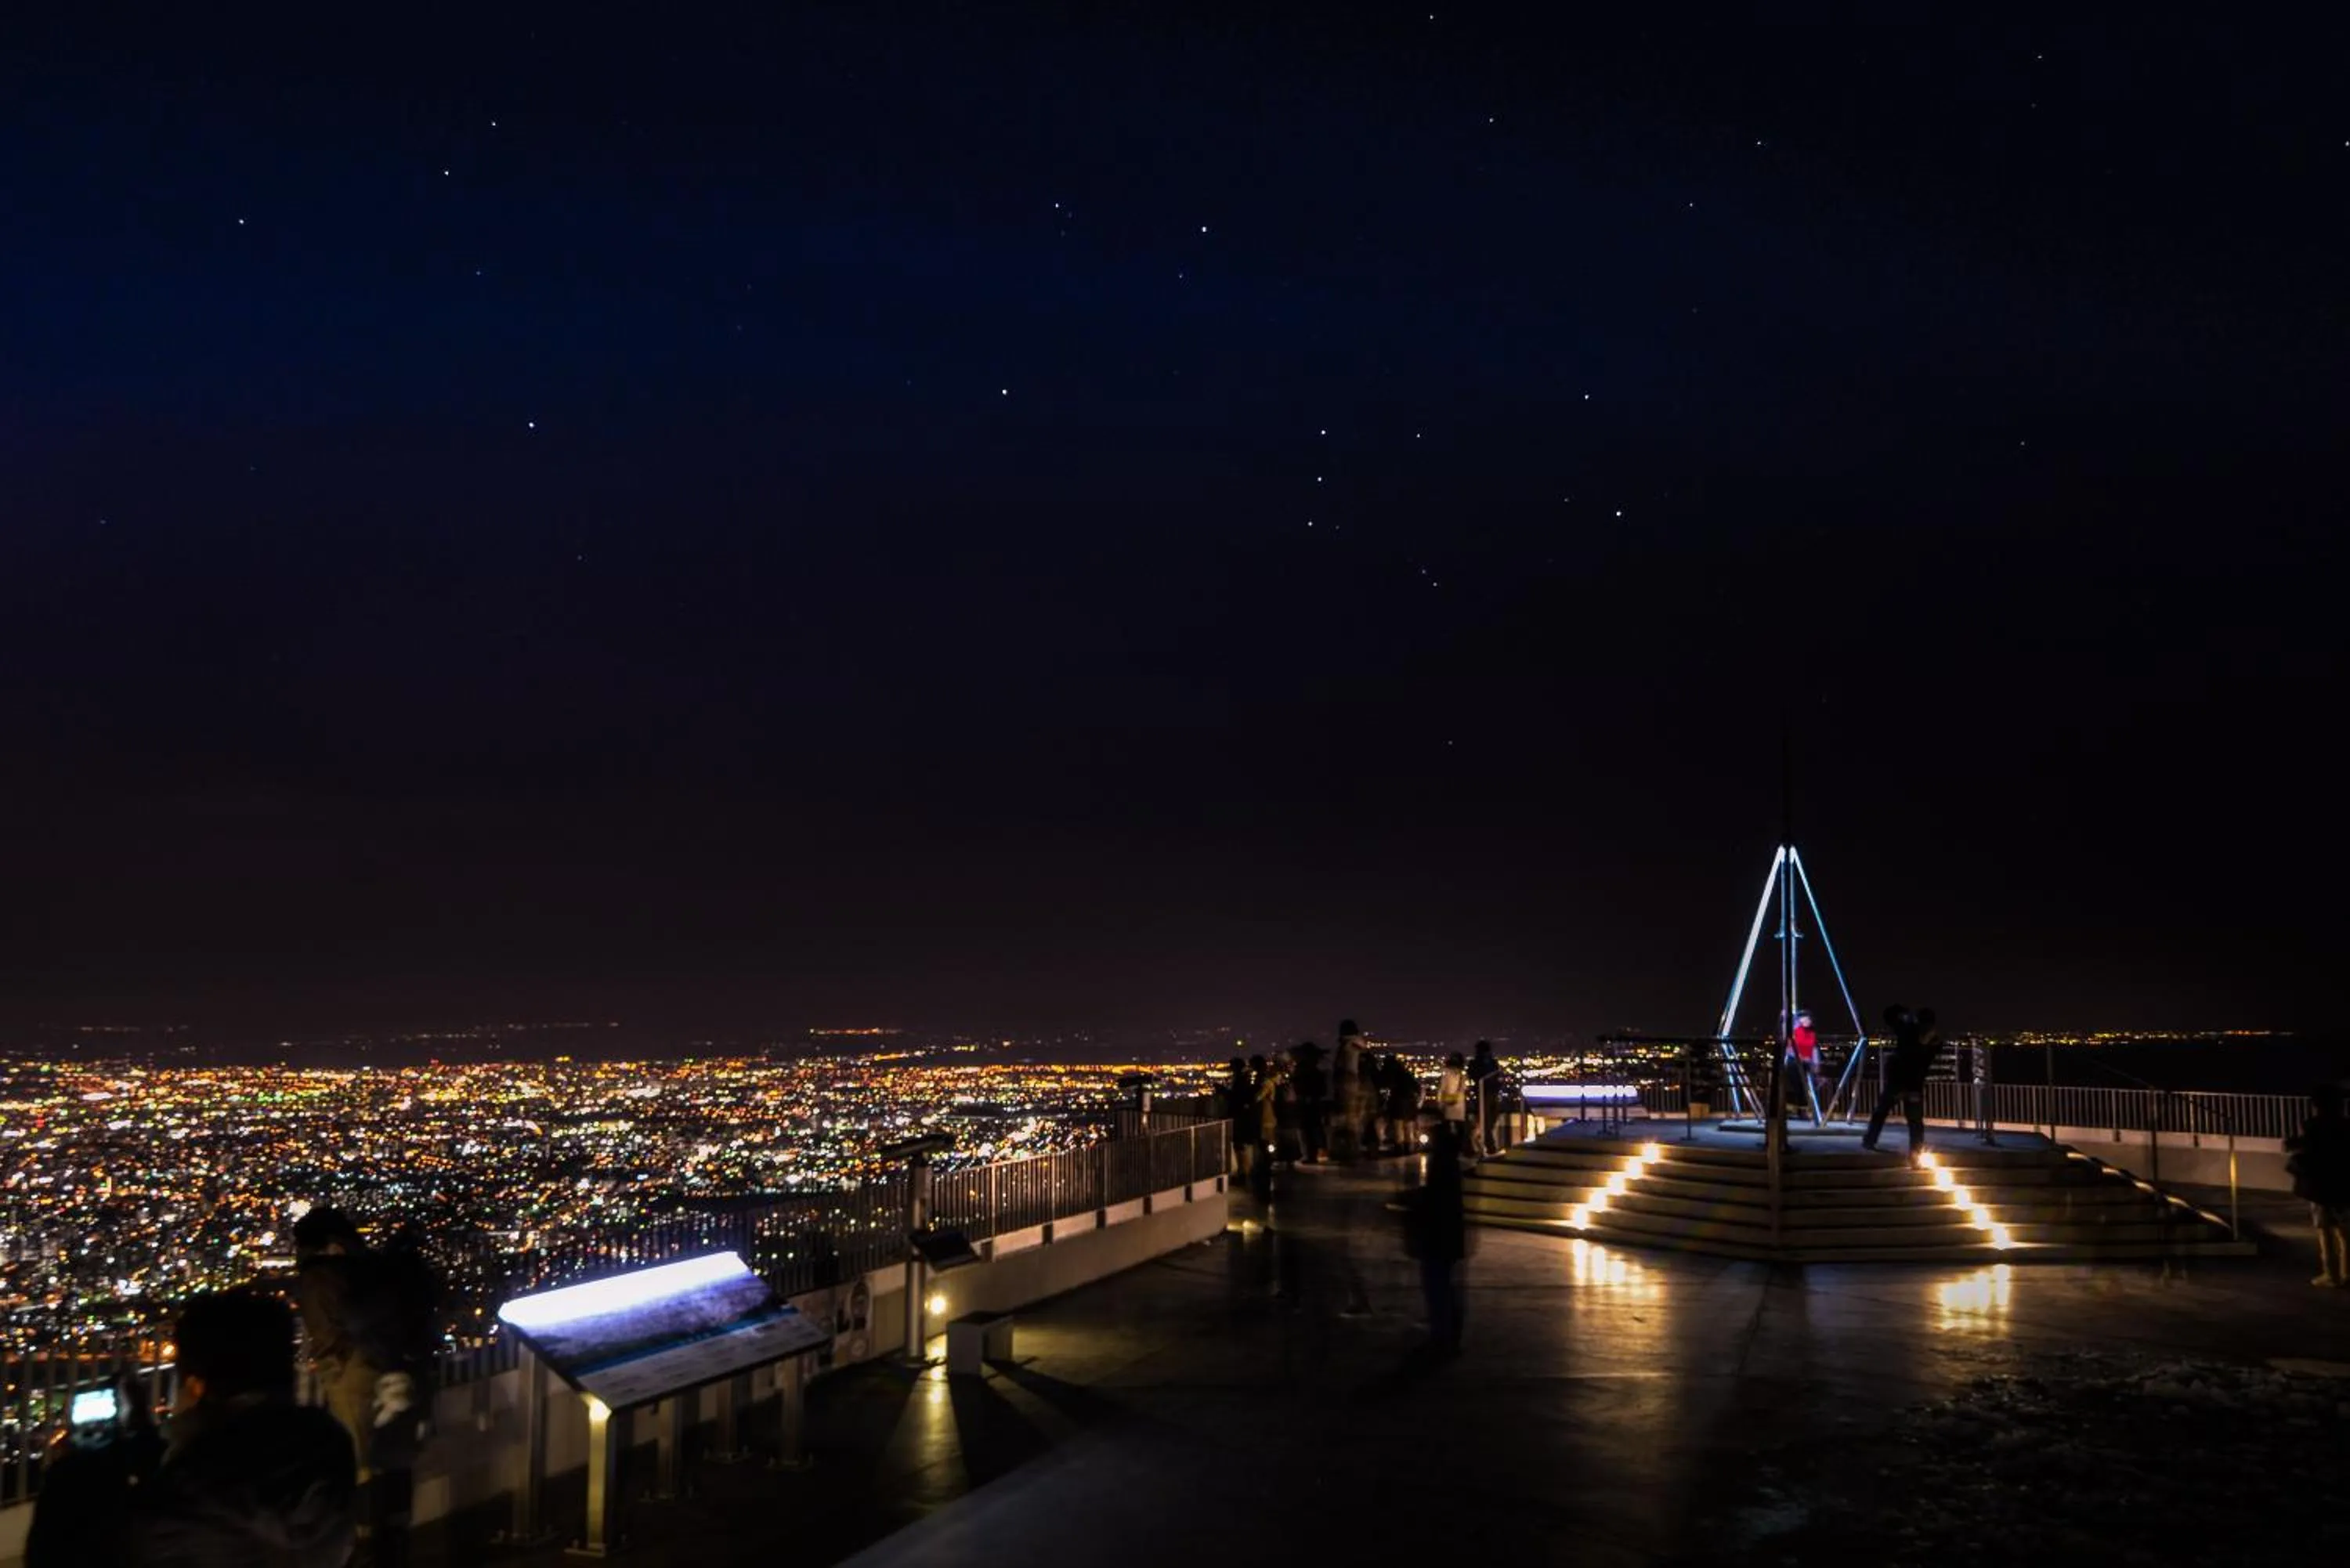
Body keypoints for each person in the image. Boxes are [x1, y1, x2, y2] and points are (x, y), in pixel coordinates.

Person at [29, 1288, 358, 1568]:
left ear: (196, 1386)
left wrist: (72, 1472)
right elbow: (235, 1466)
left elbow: (65, 1553)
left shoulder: (184, 1503)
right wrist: (147, 1437)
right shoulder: (327, 1441)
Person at [294, 1207, 439, 1568]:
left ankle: (368, 1548)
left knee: (361, 1466)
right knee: (394, 1457)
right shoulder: (373, 1271)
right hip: (396, 1369)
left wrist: (339, 1367)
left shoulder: (320, 1277)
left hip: (353, 1377)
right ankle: (395, 1542)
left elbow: (329, 1333)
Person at [1403, 1123, 1469, 1352]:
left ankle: (1442, 1333)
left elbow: (1433, 1199)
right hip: (1449, 1237)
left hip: (1438, 1237)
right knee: (1446, 1286)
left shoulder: (1440, 1166)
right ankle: (1448, 1331)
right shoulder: (1452, 1166)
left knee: (1437, 1285)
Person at [2286, 1085, 2350, 1288]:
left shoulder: (2312, 1125)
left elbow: (2306, 1149)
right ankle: (2347, 1272)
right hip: (2344, 1184)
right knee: (2345, 1231)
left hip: (2320, 1186)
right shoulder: (2346, 1125)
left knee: (2325, 1230)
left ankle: (2331, 1274)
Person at [1861, 1005, 1939, 1162]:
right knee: (1915, 1121)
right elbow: (1924, 1065)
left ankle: (1870, 1140)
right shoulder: (1933, 1041)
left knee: (1881, 1112)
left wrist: (1903, 1014)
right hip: (1914, 1084)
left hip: (1897, 1082)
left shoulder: (1908, 1031)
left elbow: (1890, 1017)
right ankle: (1916, 1152)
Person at [1466, 1040, 1504, 1157]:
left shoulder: (1493, 1062)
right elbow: (1473, 1075)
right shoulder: (1474, 1063)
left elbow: (1498, 1075)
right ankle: (1490, 1147)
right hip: (1483, 1094)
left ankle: (1479, 1135)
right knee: (1486, 1121)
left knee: (1493, 1118)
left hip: (1493, 1093)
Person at [1437, 1052, 1469, 1141]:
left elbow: (1441, 1089)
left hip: (1448, 1104)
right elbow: (1463, 1089)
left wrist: (1439, 1102)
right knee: (1459, 1128)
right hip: (1459, 1105)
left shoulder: (1446, 1074)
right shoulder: (1462, 1075)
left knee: (1448, 1128)